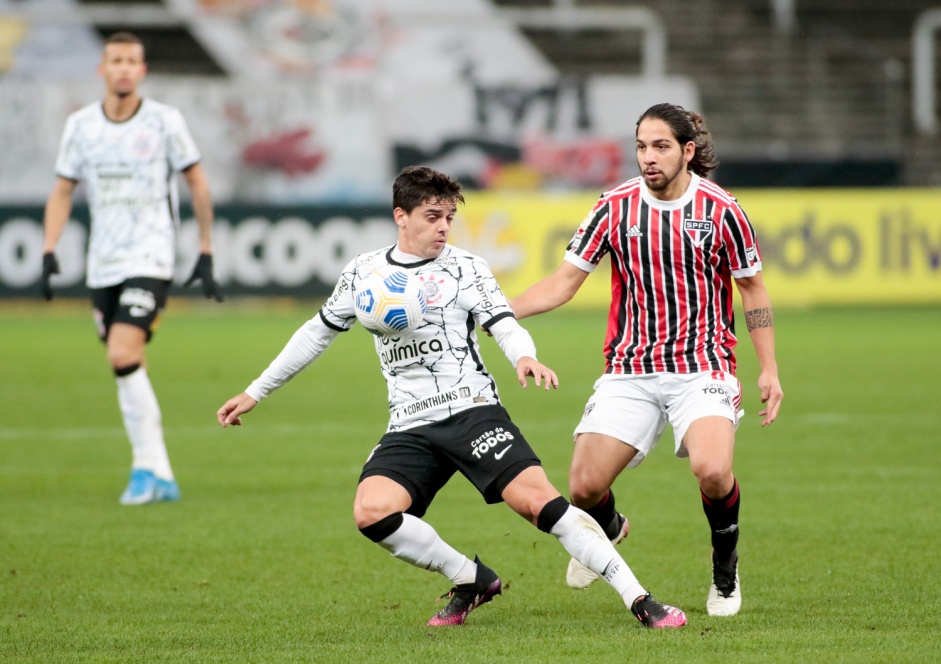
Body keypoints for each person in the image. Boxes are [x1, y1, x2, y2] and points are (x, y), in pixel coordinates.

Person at [217, 165, 686, 629]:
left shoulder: (465, 267)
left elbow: (501, 320)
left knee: (541, 504)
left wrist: (524, 356)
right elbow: (315, 334)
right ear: (401, 217)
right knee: (371, 511)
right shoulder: (364, 273)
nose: (443, 227)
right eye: (431, 216)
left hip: (471, 411)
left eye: (448, 218)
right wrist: (256, 391)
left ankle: (641, 600)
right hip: (410, 423)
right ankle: (470, 578)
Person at [510, 103, 784, 617]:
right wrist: (497, 310)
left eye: (660, 146)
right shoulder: (613, 207)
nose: (648, 157)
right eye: (641, 146)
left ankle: (725, 569)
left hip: (703, 367)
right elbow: (563, 283)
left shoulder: (723, 209)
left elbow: (752, 288)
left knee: (712, 470)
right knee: (584, 486)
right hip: (630, 369)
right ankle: (610, 528)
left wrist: (767, 368)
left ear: (687, 151)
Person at [41, 31, 224, 506]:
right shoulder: (80, 125)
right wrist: (48, 248)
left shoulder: (165, 121)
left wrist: (205, 248)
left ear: (142, 71)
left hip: (150, 255)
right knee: (126, 366)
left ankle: (146, 469)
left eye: (132, 61)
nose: (124, 68)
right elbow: (62, 190)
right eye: (115, 59)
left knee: (122, 354)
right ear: (102, 69)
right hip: (102, 263)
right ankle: (158, 471)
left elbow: (197, 183)